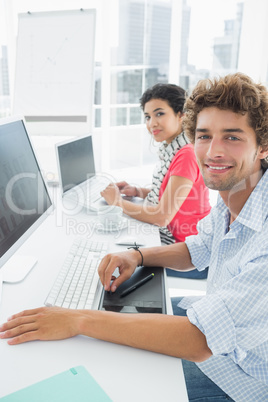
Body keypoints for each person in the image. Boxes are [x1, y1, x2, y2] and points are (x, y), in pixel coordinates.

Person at [1, 72, 268, 401]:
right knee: (109, 333)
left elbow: (198, 342)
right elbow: (198, 250)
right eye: (204, 136)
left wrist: (78, 319)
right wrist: (137, 256)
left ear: (263, 146)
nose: (213, 151)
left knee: (103, 372)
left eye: (232, 137)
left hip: (242, 378)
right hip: (222, 340)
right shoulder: (236, 197)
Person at [101, 83, 211, 279]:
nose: (152, 123)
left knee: (116, 261)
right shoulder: (175, 148)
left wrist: (117, 203)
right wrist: (138, 191)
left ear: (181, 114)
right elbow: (173, 191)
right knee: (114, 247)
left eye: (159, 114)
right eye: (148, 116)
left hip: (188, 251)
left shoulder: (186, 154)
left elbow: (162, 217)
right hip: (178, 241)